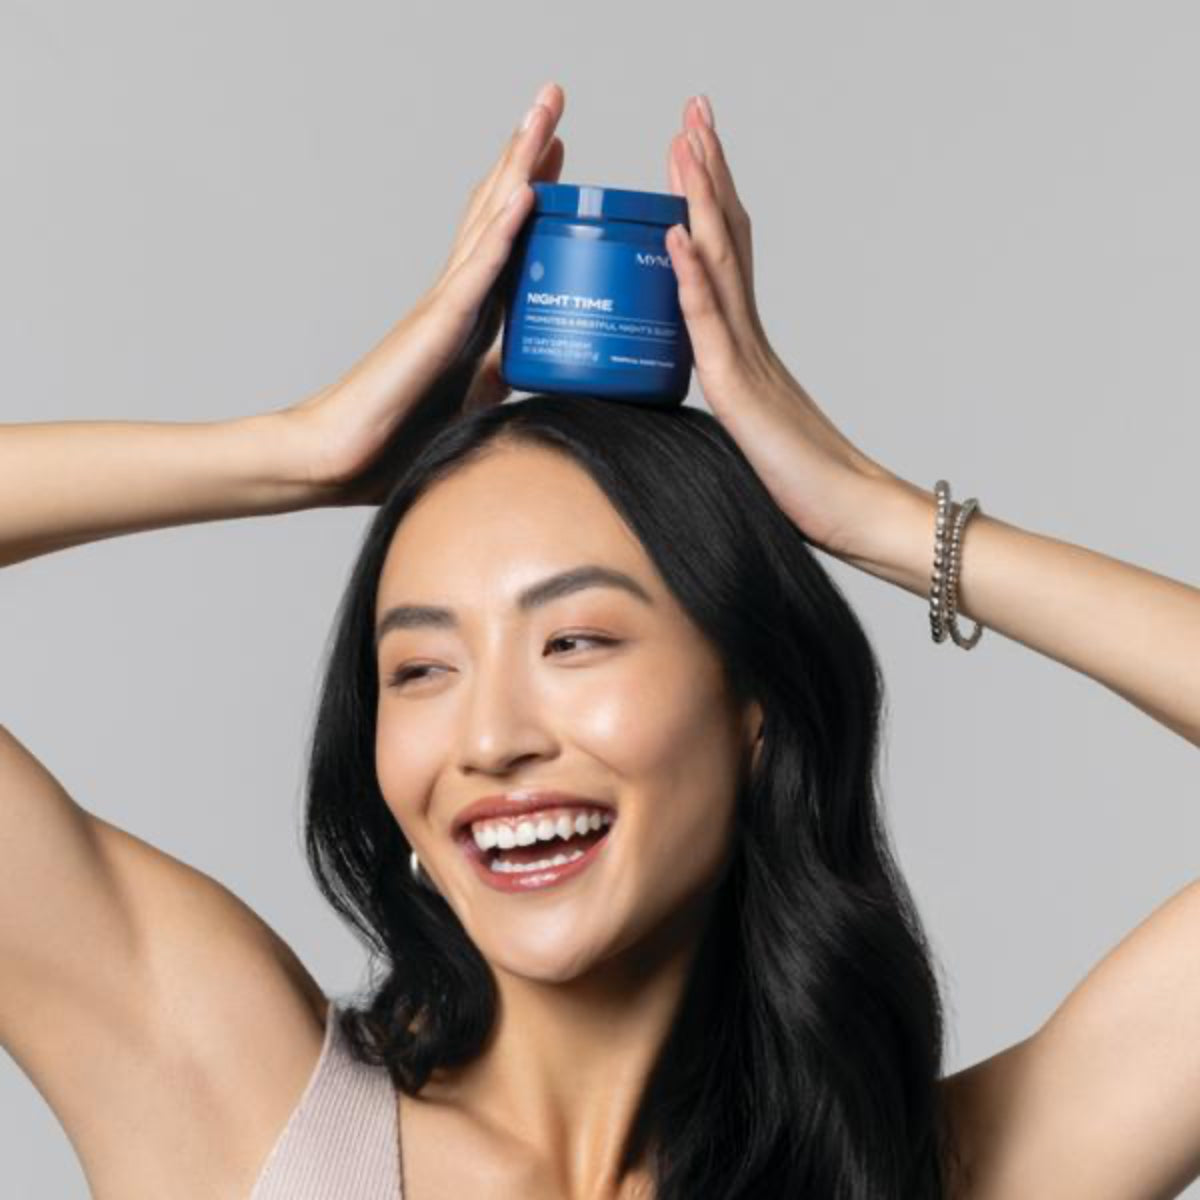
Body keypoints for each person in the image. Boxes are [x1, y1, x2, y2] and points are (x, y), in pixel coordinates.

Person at [1, 79, 1197, 1199]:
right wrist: (294, 452)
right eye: (421, 668)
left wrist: (875, 516)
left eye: (572, 643)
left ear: (754, 704)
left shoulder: (936, 1174)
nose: (490, 738)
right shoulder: (243, 1112)